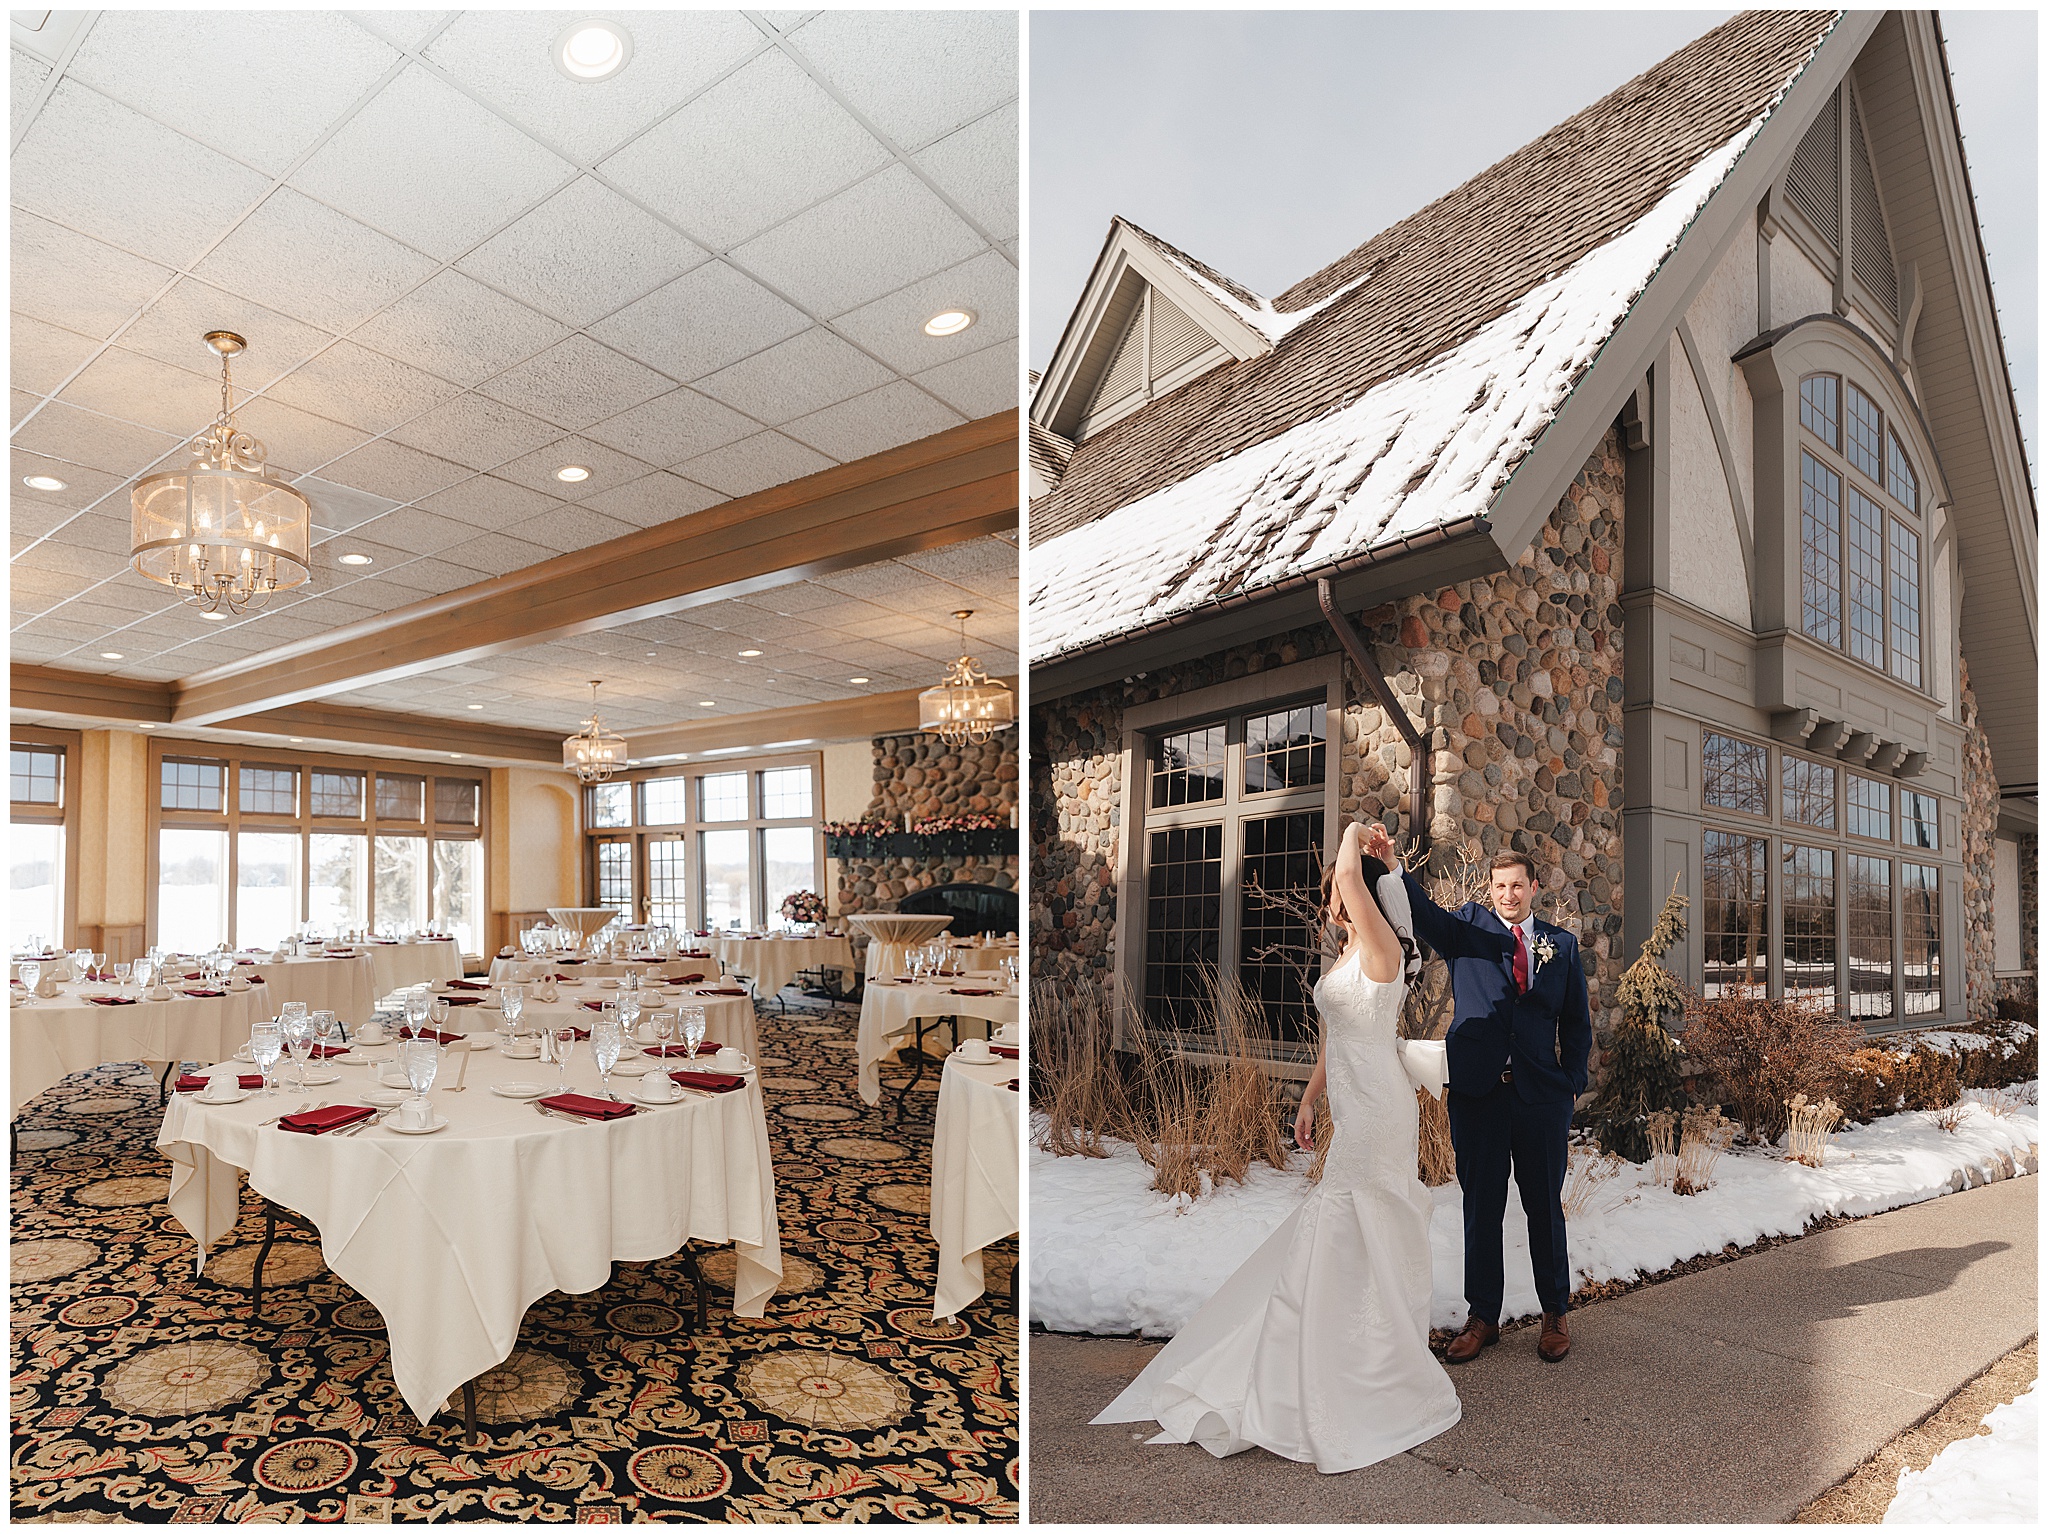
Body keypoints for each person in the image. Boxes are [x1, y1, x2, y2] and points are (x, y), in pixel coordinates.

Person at [1093, 820, 1461, 1474]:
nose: (1331, 901)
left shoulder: (1383, 946)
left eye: (1337, 894)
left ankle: (1356, 1368)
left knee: (1351, 1219)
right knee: (1343, 1225)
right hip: (1352, 1103)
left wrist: (1357, 835)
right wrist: (1310, 1098)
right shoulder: (1352, 952)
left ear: (1362, 898)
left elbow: (1352, 876)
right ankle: (1333, 1348)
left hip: (1379, 1112)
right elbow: (1336, 1033)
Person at [1365, 825, 1590, 1365]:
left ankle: (1554, 1312)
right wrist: (1395, 868)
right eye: (1499, 887)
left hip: (1540, 1098)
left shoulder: (1560, 945)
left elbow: (1576, 1024)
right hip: (1479, 1094)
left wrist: (1571, 1084)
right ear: (1491, 889)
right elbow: (1422, 915)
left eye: (1517, 886)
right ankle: (1483, 1316)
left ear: (1534, 887)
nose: (1507, 895)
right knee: (1480, 1207)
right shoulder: (1467, 928)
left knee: (1544, 1207)